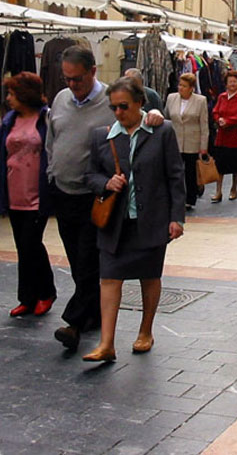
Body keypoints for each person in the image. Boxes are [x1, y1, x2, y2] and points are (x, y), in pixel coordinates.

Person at [45, 46, 164, 350]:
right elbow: (52, 138)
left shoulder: (110, 101)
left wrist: (155, 114)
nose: (72, 84)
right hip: (65, 191)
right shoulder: (60, 99)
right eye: (67, 79)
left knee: (88, 263)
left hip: (97, 196)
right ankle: (93, 315)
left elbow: (142, 113)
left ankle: (73, 323)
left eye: (77, 78)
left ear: (93, 71)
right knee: (77, 262)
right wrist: (51, 171)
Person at [83, 76, 185, 362]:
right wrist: (106, 183)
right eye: (113, 108)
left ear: (140, 103)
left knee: (149, 277)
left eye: (124, 107)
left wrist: (177, 218)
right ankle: (107, 343)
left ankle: (145, 330)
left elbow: (175, 175)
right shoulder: (101, 136)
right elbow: (89, 175)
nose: (118, 113)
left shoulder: (161, 131)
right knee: (109, 278)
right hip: (114, 222)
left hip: (151, 219)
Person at [0, 72, 55, 318]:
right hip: (13, 193)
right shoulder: (8, 121)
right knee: (23, 247)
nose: (8, 99)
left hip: (37, 194)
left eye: (13, 94)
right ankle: (27, 297)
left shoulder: (46, 119)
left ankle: (46, 292)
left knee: (31, 244)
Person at [164, 73, 208, 210]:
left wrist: (203, 146)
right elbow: (166, 118)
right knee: (174, 172)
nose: (180, 88)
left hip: (192, 141)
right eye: (180, 85)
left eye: (184, 86)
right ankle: (173, 197)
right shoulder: (171, 98)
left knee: (190, 172)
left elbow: (204, 124)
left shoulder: (200, 101)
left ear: (191, 88)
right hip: (174, 140)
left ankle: (190, 199)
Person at [210, 70, 237, 202]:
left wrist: (229, 121)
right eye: (230, 82)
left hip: (235, 137)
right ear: (226, 84)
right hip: (222, 136)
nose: (232, 84)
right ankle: (218, 191)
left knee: (236, 166)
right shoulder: (222, 97)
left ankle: (234, 188)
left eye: (234, 82)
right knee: (219, 165)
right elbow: (215, 111)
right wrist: (219, 119)